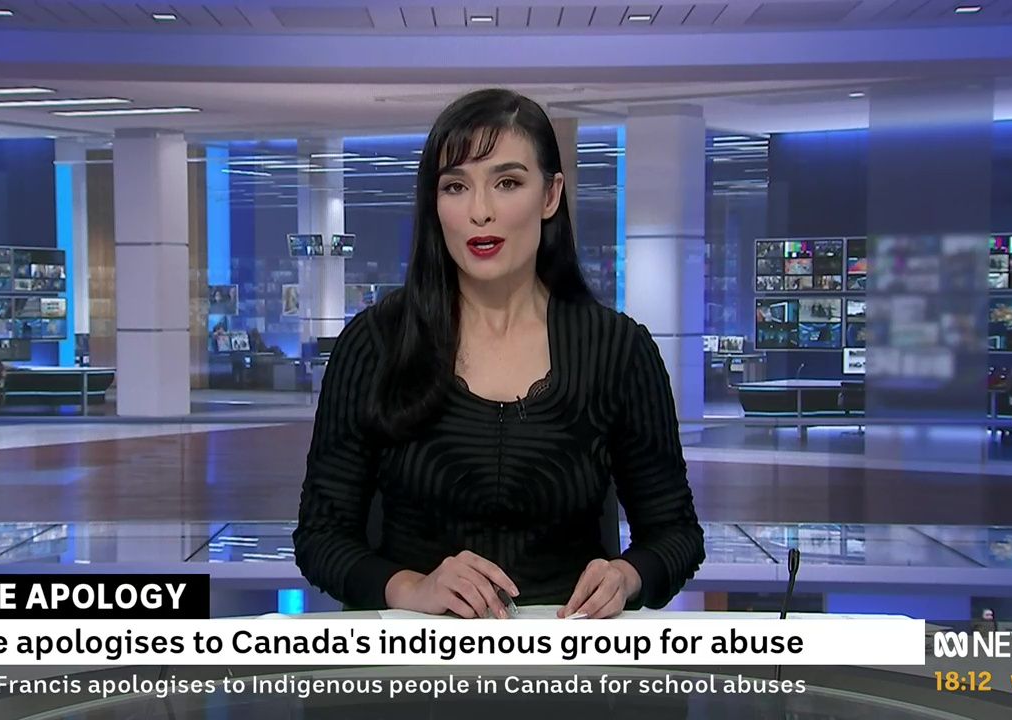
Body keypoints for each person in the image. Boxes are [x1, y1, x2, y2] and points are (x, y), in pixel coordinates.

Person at [293, 88, 705, 620]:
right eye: (456, 186)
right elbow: (320, 537)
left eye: (507, 183)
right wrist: (411, 588)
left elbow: (676, 534)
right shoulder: (375, 344)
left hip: (566, 654)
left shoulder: (619, 350)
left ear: (550, 195)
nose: (480, 212)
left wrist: (625, 576)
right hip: (414, 654)